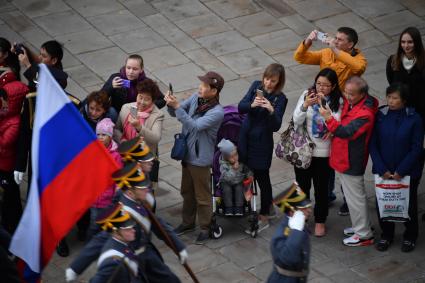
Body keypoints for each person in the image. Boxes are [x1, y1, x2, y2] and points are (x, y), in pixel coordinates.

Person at [165, 71, 225, 244]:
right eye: (202, 84)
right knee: (186, 191)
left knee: (202, 196)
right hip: (187, 154)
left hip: (200, 159)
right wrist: (171, 104)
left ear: (214, 91)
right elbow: (177, 112)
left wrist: (177, 108)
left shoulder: (217, 112)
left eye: (205, 86)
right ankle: (188, 223)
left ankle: (206, 227)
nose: (201, 87)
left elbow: (195, 126)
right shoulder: (195, 98)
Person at [319, 76, 378, 246]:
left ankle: (364, 235)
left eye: (351, 94)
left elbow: (345, 132)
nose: (347, 97)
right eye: (346, 92)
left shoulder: (364, 115)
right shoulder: (359, 104)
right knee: (355, 197)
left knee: (355, 198)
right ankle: (363, 226)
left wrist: (328, 118)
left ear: (362, 94)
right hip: (345, 157)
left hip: (351, 160)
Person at [369, 83, 423, 253]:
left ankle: (410, 236)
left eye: (395, 98)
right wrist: (380, 167)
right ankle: (387, 235)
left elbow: (416, 148)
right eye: (389, 97)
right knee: (383, 204)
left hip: (406, 173)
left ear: (404, 100)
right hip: (383, 171)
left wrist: (401, 170)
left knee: (409, 205)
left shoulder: (415, 118)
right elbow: (373, 144)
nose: (391, 101)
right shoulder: (380, 115)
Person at [292, 68, 342, 237]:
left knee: (321, 190)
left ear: (333, 86)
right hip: (303, 150)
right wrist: (305, 105)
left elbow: (337, 123)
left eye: (326, 85)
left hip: (324, 153)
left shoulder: (338, 101)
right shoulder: (307, 93)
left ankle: (320, 221)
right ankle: (301, 218)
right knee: (301, 187)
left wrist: (324, 107)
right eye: (318, 83)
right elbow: (296, 121)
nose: (320, 88)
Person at [238, 63, 287, 233]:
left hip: (262, 144)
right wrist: (252, 104)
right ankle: (248, 207)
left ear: (279, 81)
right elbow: (240, 107)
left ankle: (265, 213)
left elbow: (276, 126)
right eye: (267, 79)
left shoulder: (281, 98)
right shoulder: (255, 86)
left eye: (273, 81)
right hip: (245, 138)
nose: (268, 83)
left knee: (262, 178)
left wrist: (271, 110)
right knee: (245, 174)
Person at [114, 78, 164, 189]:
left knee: (143, 190)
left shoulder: (157, 115)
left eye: (147, 99)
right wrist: (122, 141)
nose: (142, 102)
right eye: (140, 97)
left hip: (143, 161)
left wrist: (139, 127)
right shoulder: (126, 108)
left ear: (152, 100)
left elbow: (156, 138)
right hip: (126, 157)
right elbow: (117, 129)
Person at [294, 27, 367, 89]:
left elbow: (359, 68)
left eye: (340, 40)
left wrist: (335, 49)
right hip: (320, 91)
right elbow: (300, 57)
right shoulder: (327, 52)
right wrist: (308, 41)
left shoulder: (359, 59)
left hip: (340, 99)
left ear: (350, 45)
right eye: (335, 38)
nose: (335, 41)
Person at [267, 182, 312, 283]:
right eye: (303, 209)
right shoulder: (281, 234)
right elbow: (288, 258)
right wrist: (296, 232)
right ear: (292, 212)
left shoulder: (300, 226)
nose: (309, 210)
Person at [0, 78, 28, 234]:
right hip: (4, 163)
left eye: (5, 100)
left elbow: (4, 144)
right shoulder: (6, 115)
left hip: (7, 165)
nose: (2, 103)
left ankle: (11, 225)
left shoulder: (15, 122)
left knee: (10, 197)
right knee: (12, 195)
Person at [87, 118, 123, 240]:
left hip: (108, 199)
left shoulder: (115, 156)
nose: (101, 137)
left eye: (104, 134)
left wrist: (116, 195)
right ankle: (91, 243)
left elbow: (118, 177)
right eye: (98, 134)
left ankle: (103, 244)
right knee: (93, 224)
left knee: (106, 225)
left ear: (110, 136)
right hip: (93, 199)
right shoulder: (92, 151)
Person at [89, 204, 140, 283]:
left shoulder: (124, 241)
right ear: (115, 232)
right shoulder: (112, 261)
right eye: (127, 229)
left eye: (132, 226)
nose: (133, 230)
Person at [386, 27, 425, 124]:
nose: (406, 46)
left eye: (410, 42)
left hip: (419, 109)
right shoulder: (393, 61)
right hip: (399, 108)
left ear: (417, 42)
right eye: (403, 42)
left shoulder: (423, 62)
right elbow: (391, 81)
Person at [217, 138, 253, 216]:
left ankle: (239, 208)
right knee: (227, 190)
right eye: (232, 157)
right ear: (226, 157)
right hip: (226, 181)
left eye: (236, 154)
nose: (235, 158)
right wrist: (233, 169)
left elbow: (246, 170)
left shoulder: (240, 162)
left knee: (239, 188)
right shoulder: (223, 165)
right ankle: (228, 208)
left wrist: (250, 175)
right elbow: (226, 177)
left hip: (238, 181)